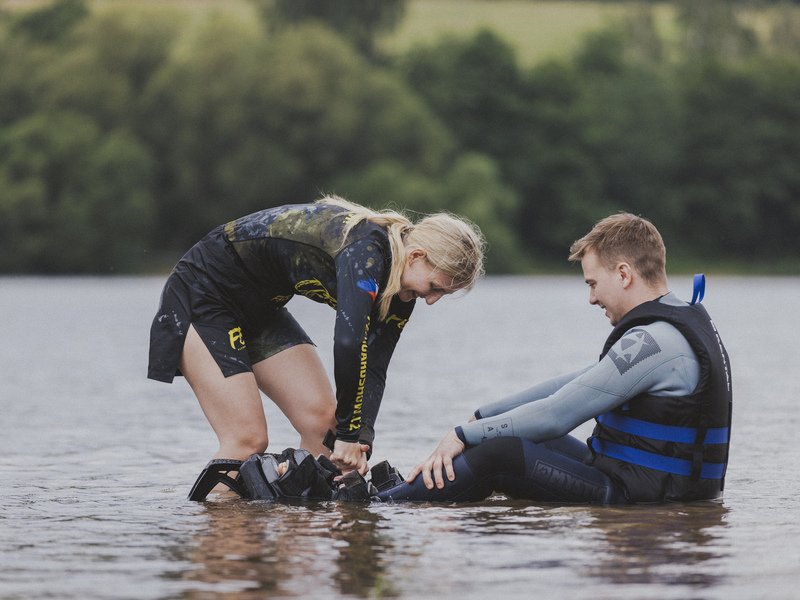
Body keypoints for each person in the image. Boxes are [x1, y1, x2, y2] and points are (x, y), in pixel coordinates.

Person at [379, 212, 732, 504]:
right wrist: (484, 415)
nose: (592, 299)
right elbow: (575, 384)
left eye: (593, 284)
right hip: (642, 482)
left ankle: (386, 505)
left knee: (499, 455)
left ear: (624, 274)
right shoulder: (672, 325)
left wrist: (463, 435)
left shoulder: (655, 341)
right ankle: (403, 492)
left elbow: (556, 415)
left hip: (642, 497)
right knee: (521, 436)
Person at [148, 196, 485, 482]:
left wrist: (359, 440)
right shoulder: (366, 251)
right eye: (436, 288)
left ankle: (297, 536)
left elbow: (375, 364)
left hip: (260, 309)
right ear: (416, 256)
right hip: (204, 293)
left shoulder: (401, 288)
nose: (432, 300)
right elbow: (349, 342)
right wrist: (350, 436)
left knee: (326, 428)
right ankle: (225, 545)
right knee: (248, 439)